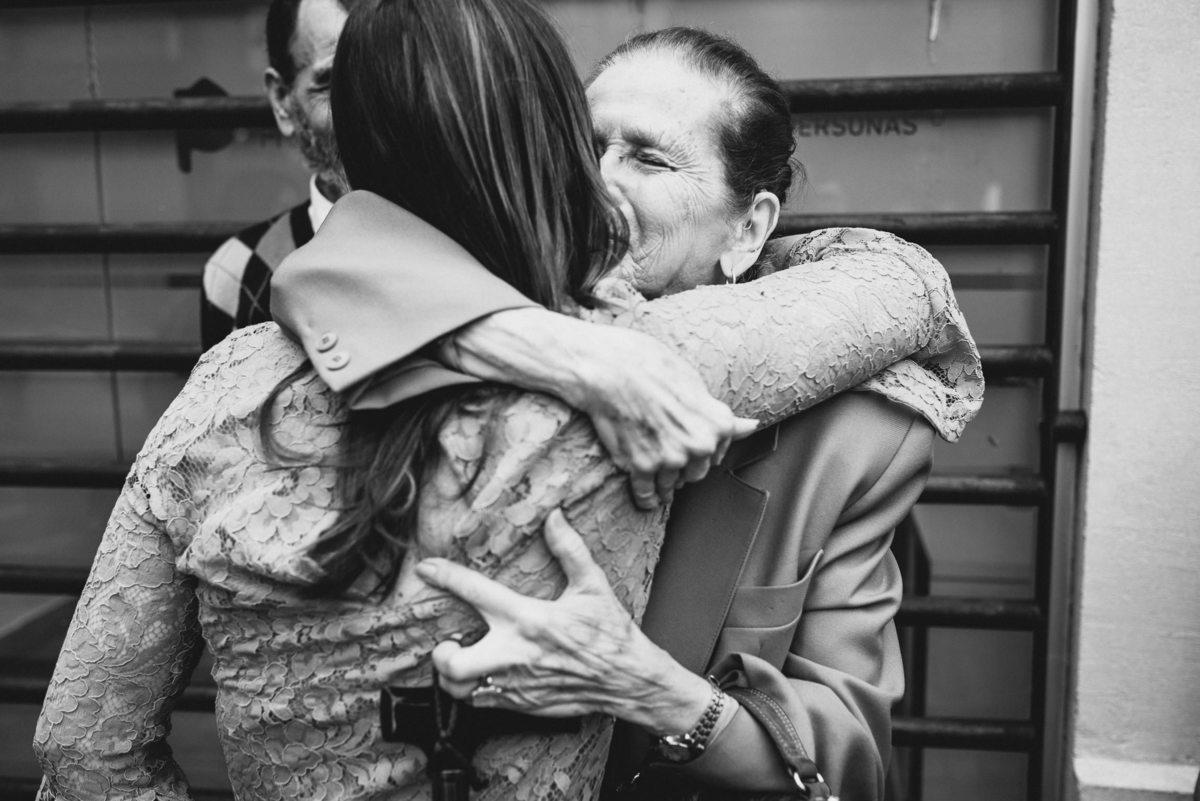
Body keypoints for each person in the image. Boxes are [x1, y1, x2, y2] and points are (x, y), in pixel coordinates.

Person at [33, 4, 980, 800]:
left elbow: (85, 747)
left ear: (749, 226)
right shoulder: (630, 357)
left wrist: (654, 690)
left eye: (650, 159)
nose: (603, 182)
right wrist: (538, 340)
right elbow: (903, 282)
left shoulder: (838, 433)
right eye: (586, 146)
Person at [199, 0, 353, 350]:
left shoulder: (464, 243)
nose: (365, 107)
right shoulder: (238, 274)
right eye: (331, 82)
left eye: (384, 75)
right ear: (283, 101)